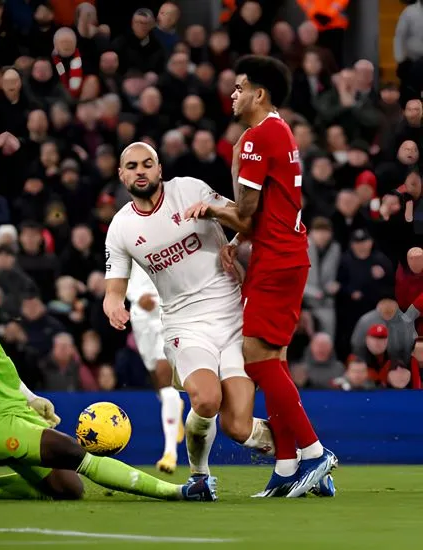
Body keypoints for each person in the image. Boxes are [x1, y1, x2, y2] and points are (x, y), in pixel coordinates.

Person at [0, 214, 216, 502]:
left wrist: (29, 397)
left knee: (68, 487)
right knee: (71, 450)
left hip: (11, 408)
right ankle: (182, 492)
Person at [184, 55, 337, 498]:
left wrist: (212, 208)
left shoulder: (258, 136)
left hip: (277, 259)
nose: (232, 95)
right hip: (284, 253)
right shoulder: (280, 130)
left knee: (255, 359)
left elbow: (246, 213)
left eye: (239, 87)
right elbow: (265, 212)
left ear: (259, 93)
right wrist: (239, 242)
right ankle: (287, 465)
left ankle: (314, 452)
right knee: (276, 361)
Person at [103, 142, 275, 489]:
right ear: (121, 175)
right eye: (132, 166)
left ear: (160, 169)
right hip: (185, 325)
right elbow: (113, 290)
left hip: (233, 318)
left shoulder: (190, 189)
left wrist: (222, 227)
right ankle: (200, 475)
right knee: (206, 398)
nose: (140, 171)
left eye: (147, 164)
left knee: (238, 427)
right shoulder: (120, 227)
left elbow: (247, 222)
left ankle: (300, 456)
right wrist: (114, 307)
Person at [126, 260, 185, 474]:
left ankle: (170, 453)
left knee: (163, 373)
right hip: (140, 315)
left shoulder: (173, 229)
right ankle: (173, 404)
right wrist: (134, 297)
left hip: (166, 311)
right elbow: (117, 270)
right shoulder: (123, 233)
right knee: (155, 376)